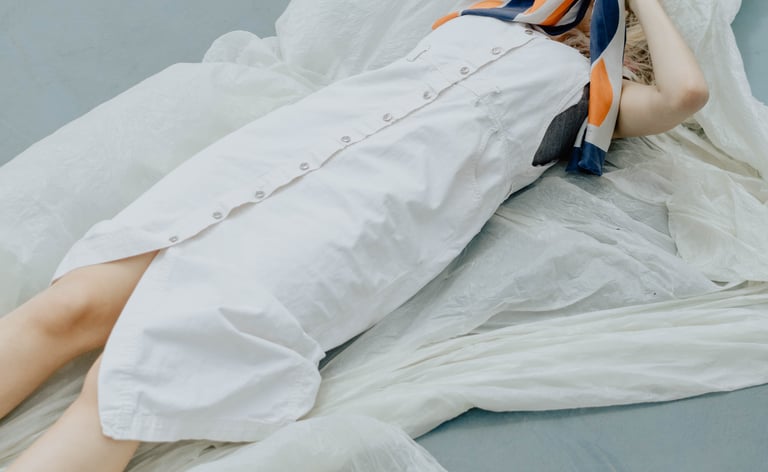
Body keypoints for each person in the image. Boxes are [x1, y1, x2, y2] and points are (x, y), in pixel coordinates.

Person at [1, 0, 707, 470]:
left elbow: (686, 95)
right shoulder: (481, 16)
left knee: (136, 382)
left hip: (352, 223)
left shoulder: (596, 99)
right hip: (266, 160)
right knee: (70, 305)